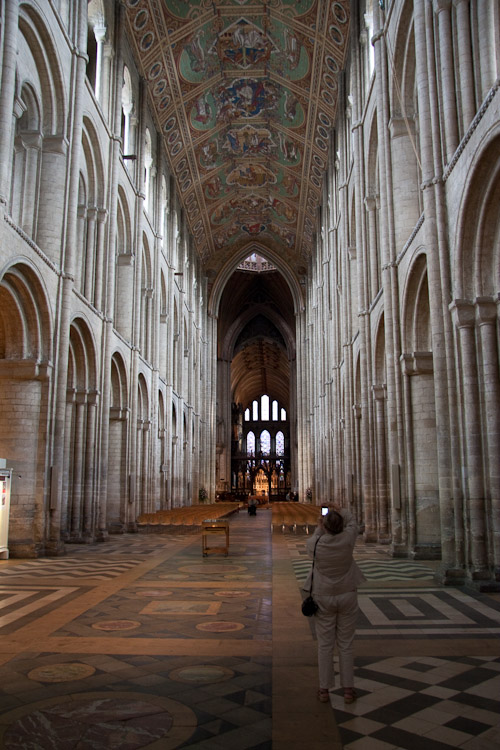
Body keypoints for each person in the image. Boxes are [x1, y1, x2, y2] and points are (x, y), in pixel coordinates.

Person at [303, 504, 365, 705]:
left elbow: (316, 534)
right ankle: (348, 690)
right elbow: (352, 521)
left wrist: (321, 524)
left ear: (325, 526)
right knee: (346, 644)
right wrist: (339, 508)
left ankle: (324, 690)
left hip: (323, 595)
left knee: (325, 644)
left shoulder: (316, 544)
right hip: (347, 593)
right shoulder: (348, 539)